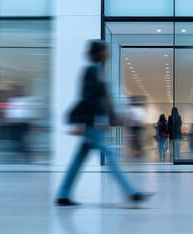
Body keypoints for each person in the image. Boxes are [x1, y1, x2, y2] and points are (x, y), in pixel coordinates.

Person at [56, 40, 152, 206]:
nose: (109, 53)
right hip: (91, 124)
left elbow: (103, 99)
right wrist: (81, 122)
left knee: (78, 159)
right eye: (106, 50)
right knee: (111, 155)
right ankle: (130, 192)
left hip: (93, 123)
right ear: (99, 52)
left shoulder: (99, 71)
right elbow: (86, 98)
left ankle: (63, 194)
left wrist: (113, 117)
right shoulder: (92, 70)